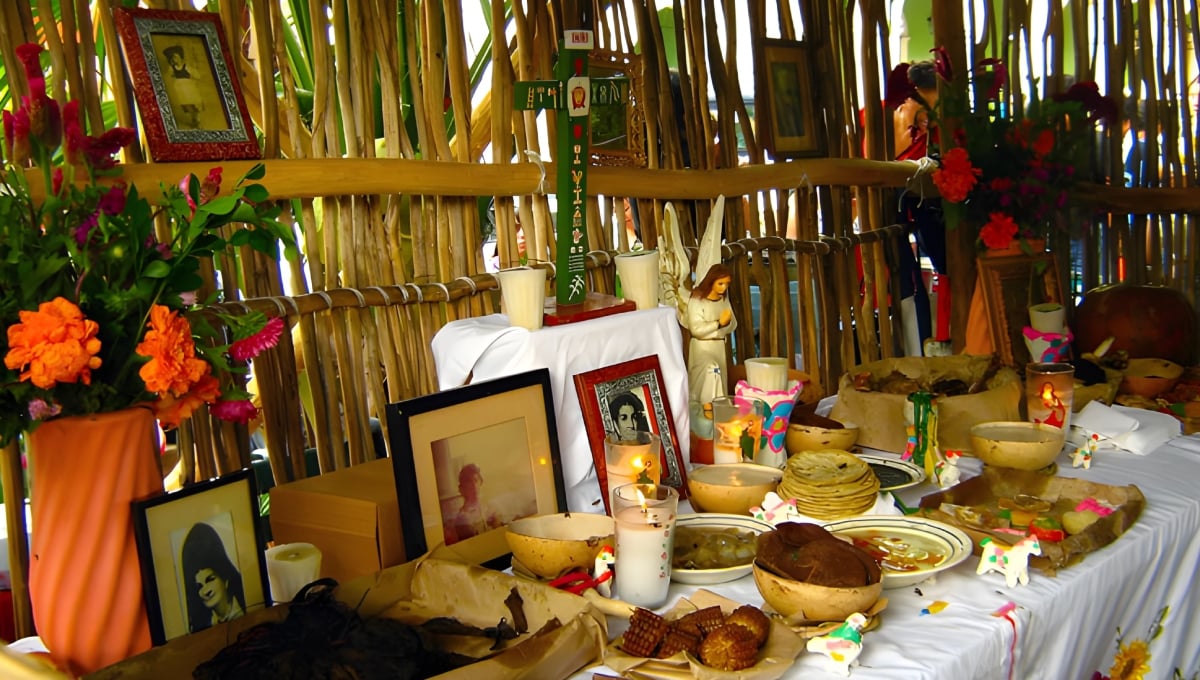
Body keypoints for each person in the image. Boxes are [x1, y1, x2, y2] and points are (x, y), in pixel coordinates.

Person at [685, 264, 737, 420]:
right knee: (711, 371)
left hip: (718, 346)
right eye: (720, 283)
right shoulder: (697, 300)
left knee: (719, 375)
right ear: (711, 281)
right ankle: (706, 405)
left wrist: (722, 328)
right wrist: (718, 324)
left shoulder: (723, 300)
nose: (723, 288)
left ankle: (717, 409)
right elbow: (696, 329)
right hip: (702, 347)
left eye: (727, 284)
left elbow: (733, 324)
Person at [180, 522, 246, 633]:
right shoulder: (206, 626)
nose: (205, 591)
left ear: (225, 579)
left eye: (210, 579)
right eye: (199, 586)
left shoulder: (246, 611)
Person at [443, 463, 500, 545]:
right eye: (469, 482)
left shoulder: (488, 508)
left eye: (476, 480)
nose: (474, 485)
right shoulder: (462, 518)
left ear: (480, 483)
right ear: (462, 488)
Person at [162, 44, 204, 130]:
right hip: (181, 89)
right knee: (188, 106)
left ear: (181, 57)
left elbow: (197, 76)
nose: (175, 60)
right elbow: (170, 75)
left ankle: (197, 121)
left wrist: (191, 76)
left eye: (176, 57)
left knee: (195, 104)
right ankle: (193, 122)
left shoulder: (187, 67)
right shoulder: (172, 68)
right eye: (173, 58)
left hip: (189, 87)